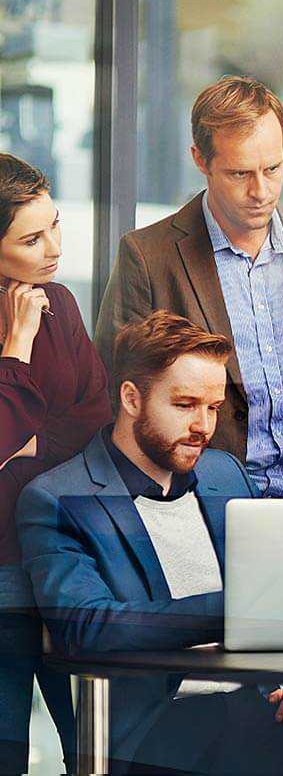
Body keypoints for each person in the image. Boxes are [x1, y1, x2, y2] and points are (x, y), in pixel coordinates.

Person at [17, 311, 283, 774]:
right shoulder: (58, 497)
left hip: (260, 706)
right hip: (156, 731)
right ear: (131, 398)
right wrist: (238, 613)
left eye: (212, 407)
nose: (203, 426)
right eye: (185, 404)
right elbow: (88, 626)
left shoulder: (223, 472)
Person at [93, 75, 283, 501]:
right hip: (197, 509)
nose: (260, 191)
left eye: (273, 169)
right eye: (239, 173)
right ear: (200, 160)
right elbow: (116, 401)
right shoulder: (148, 257)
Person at [0, 153, 112, 773]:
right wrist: (14, 348)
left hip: (63, 563)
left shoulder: (60, 305)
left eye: (56, 226)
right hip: (1, 573)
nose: (53, 248)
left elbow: (93, 422)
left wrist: (26, 442)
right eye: (31, 238)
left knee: (93, 747)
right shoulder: (27, 321)